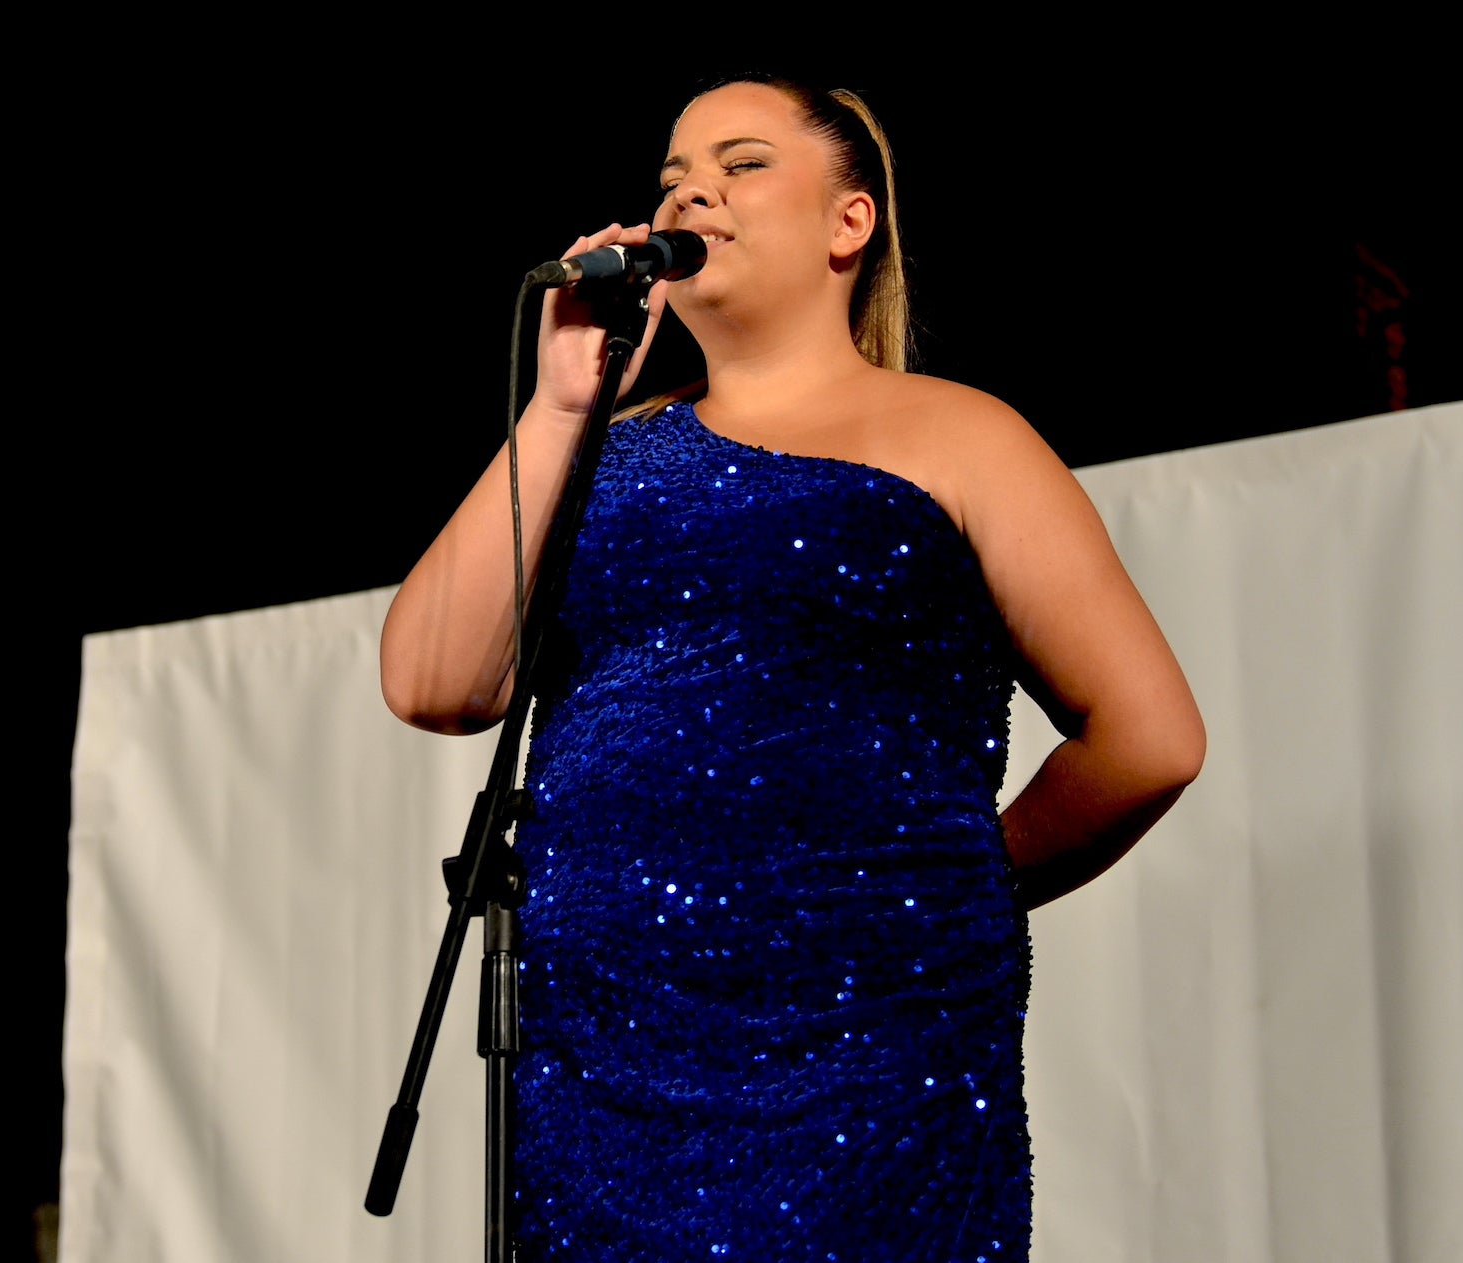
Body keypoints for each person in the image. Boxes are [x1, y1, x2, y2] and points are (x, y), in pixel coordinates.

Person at [379, 72, 1206, 1261]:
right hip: (606, 1067)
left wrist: (945, 888)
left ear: (849, 221)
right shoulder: (605, 449)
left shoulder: (962, 435)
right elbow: (433, 683)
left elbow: (1151, 736)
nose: (692, 189)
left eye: (743, 162)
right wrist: (562, 405)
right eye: (672, 176)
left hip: (870, 1048)